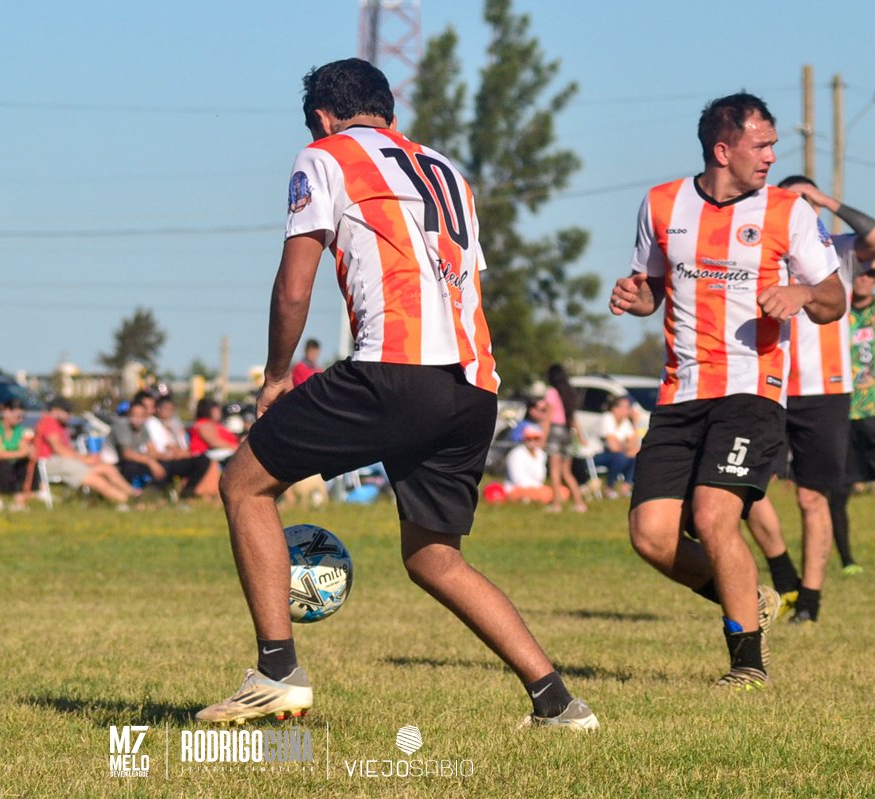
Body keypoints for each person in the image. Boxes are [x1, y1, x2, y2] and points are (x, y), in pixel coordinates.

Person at [197, 58, 598, 730]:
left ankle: (276, 673)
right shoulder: (446, 169)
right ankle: (558, 703)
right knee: (434, 556)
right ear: (390, 112)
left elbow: (294, 288)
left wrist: (275, 377)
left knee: (243, 484)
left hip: (394, 368)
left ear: (323, 118)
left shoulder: (324, 156)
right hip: (473, 385)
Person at [609, 92, 845, 690]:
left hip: (752, 387)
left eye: (773, 145)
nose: (771, 156)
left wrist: (801, 294)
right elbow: (650, 289)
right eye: (760, 145)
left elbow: (834, 299)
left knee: (714, 513)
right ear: (723, 150)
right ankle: (745, 595)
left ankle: (747, 665)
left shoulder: (789, 211)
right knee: (651, 536)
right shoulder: (661, 203)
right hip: (679, 391)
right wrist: (635, 298)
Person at [743, 178, 875, 623]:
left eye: (809, 202)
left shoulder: (838, 250)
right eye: (793, 200)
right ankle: (782, 571)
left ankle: (809, 601)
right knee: (745, 489)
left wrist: (825, 200)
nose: (802, 208)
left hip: (825, 390)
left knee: (813, 497)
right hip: (766, 382)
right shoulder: (760, 246)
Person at [827, 258, 875, 576]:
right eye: (859, 273)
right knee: (837, 493)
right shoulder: (836, 311)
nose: (864, 278)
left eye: (870, 274)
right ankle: (847, 561)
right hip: (844, 415)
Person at [34, 397, 136, 507]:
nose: (69, 414)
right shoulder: (49, 421)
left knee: (108, 468)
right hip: (51, 463)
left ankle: (134, 494)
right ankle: (127, 501)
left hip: (64, 462)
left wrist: (88, 458)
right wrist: (84, 459)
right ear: (55, 410)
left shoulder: (60, 425)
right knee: (96, 480)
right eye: (66, 411)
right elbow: (59, 449)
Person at [111, 400, 212, 497]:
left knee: (201, 460)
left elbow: (152, 451)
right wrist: (151, 462)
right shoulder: (121, 426)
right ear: (128, 414)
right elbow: (127, 454)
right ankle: (151, 495)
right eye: (134, 415)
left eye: (141, 415)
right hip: (124, 465)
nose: (137, 418)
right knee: (161, 467)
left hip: (146, 461)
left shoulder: (143, 428)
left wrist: (168, 456)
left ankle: (186, 494)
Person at [541, 364, 587, 513]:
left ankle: (556, 504)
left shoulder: (551, 393)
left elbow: (548, 417)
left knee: (554, 470)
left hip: (555, 431)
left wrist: (543, 437)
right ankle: (579, 503)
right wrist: (580, 436)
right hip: (567, 433)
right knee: (567, 472)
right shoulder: (568, 393)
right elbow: (572, 418)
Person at [0, 398, 34, 511]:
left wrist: (29, 451)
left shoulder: (18, 429)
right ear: (6, 411)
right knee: (3, 464)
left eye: (21, 417)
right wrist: (21, 453)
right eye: (17, 416)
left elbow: (23, 448)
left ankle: (19, 500)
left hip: (10, 462)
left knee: (24, 462)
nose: (19, 419)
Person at [593, 395, 640, 496]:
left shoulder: (625, 422)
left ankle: (626, 488)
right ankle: (609, 488)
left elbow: (635, 445)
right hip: (596, 455)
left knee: (636, 457)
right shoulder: (607, 418)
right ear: (615, 409)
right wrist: (627, 446)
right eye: (626, 407)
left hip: (617, 454)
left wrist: (635, 423)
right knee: (620, 457)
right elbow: (613, 447)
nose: (629, 410)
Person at [504, 423, 562, 504]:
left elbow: (541, 476)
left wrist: (538, 488)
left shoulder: (541, 454)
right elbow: (517, 479)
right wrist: (535, 488)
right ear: (524, 439)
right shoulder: (516, 453)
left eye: (536, 438)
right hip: (518, 488)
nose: (532, 441)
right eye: (529, 438)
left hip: (538, 488)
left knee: (562, 490)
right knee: (546, 493)